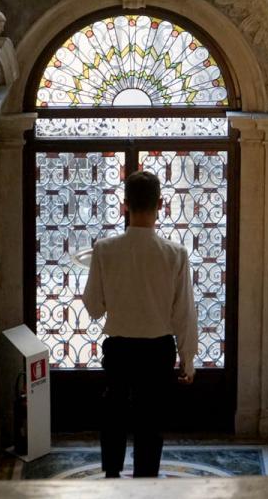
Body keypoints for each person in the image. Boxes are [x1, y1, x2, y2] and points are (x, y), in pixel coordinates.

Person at [82, 170, 197, 479]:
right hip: (158, 350)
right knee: (151, 421)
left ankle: (111, 477)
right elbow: (184, 311)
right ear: (161, 203)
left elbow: (93, 307)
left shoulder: (104, 250)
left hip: (119, 347)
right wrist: (188, 359)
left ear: (124, 205)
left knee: (114, 414)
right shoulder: (176, 254)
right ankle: (145, 480)